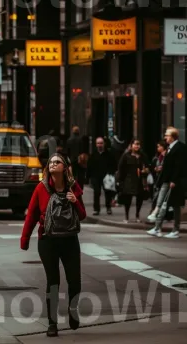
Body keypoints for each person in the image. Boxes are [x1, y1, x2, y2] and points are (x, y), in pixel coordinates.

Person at [20, 153, 86, 337]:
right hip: (48, 241)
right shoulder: (41, 188)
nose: (52, 164)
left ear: (64, 167)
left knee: (75, 282)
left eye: (57, 162)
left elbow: (82, 215)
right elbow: (31, 215)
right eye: (50, 162)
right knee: (53, 281)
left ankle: (73, 310)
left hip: (70, 240)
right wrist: (24, 240)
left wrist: (75, 202)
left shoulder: (73, 187)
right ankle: (52, 323)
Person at [148, 127, 187, 239]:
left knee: (174, 205)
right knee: (162, 203)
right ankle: (157, 227)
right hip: (167, 180)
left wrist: (174, 180)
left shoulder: (180, 148)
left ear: (172, 137)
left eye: (167, 135)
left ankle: (175, 229)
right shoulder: (170, 148)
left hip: (174, 181)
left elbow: (179, 166)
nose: (165, 137)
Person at [117, 139, 149, 223]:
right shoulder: (126, 155)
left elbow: (148, 165)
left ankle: (137, 215)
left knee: (140, 198)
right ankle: (127, 216)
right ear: (131, 145)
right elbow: (121, 168)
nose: (137, 146)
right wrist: (120, 180)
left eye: (138, 144)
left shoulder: (142, 155)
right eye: (135, 144)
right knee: (128, 199)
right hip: (129, 179)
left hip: (140, 180)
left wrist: (145, 170)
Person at [86, 137, 117, 216]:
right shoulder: (93, 154)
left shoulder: (109, 154)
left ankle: (108, 207)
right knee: (96, 192)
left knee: (108, 192)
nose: (100, 145)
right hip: (96, 177)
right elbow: (89, 166)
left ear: (104, 144)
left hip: (106, 176)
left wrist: (111, 173)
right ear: (96, 144)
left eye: (101, 143)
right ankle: (96, 209)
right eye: (98, 143)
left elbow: (113, 164)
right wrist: (88, 177)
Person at [147, 140, 168, 222]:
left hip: (163, 180)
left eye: (159, 146)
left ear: (163, 147)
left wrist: (161, 168)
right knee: (156, 197)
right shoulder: (158, 156)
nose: (157, 148)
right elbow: (153, 167)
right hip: (158, 179)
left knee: (160, 199)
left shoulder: (166, 155)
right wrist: (156, 169)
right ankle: (155, 214)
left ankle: (156, 214)